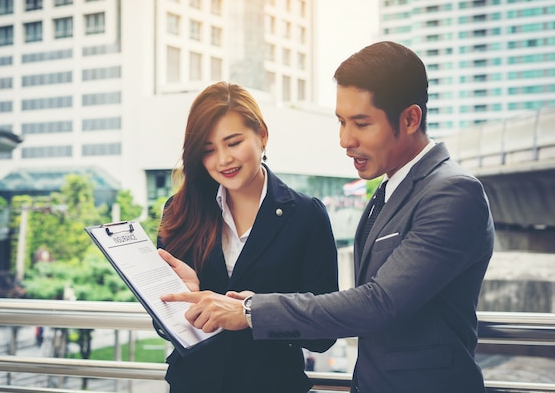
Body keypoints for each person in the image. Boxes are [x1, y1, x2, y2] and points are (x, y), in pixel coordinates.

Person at [160, 42, 495, 393]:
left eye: (360, 123)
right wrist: (181, 300)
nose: (344, 139)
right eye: (341, 122)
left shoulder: (453, 192)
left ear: (410, 118)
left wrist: (249, 310)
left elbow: (379, 302)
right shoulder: (386, 193)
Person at [156, 81, 339, 393]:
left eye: (233, 142)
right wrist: (182, 297)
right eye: (208, 149)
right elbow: (163, 327)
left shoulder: (307, 216)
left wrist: (254, 313)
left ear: (262, 135)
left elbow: (323, 334)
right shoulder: (180, 211)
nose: (223, 159)